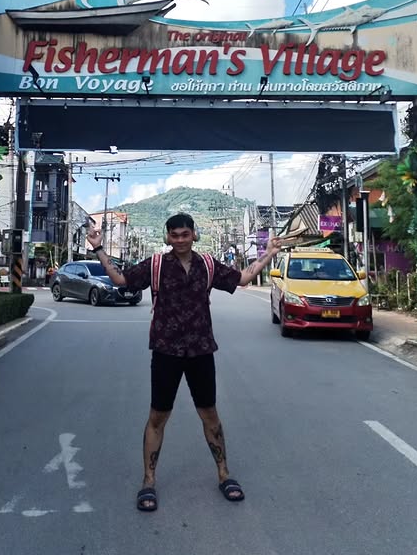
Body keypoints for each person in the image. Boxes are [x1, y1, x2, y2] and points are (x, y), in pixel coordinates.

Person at [87, 212, 283, 512]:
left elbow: (242, 278)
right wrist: (99, 249)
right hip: (166, 351)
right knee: (158, 417)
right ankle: (148, 481)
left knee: (210, 415)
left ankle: (224, 474)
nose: (180, 240)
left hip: (201, 351)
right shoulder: (155, 265)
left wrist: (268, 254)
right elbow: (121, 279)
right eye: (174, 235)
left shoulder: (207, 265)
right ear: (168, 237)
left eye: (185, 234)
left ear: (194, 235)